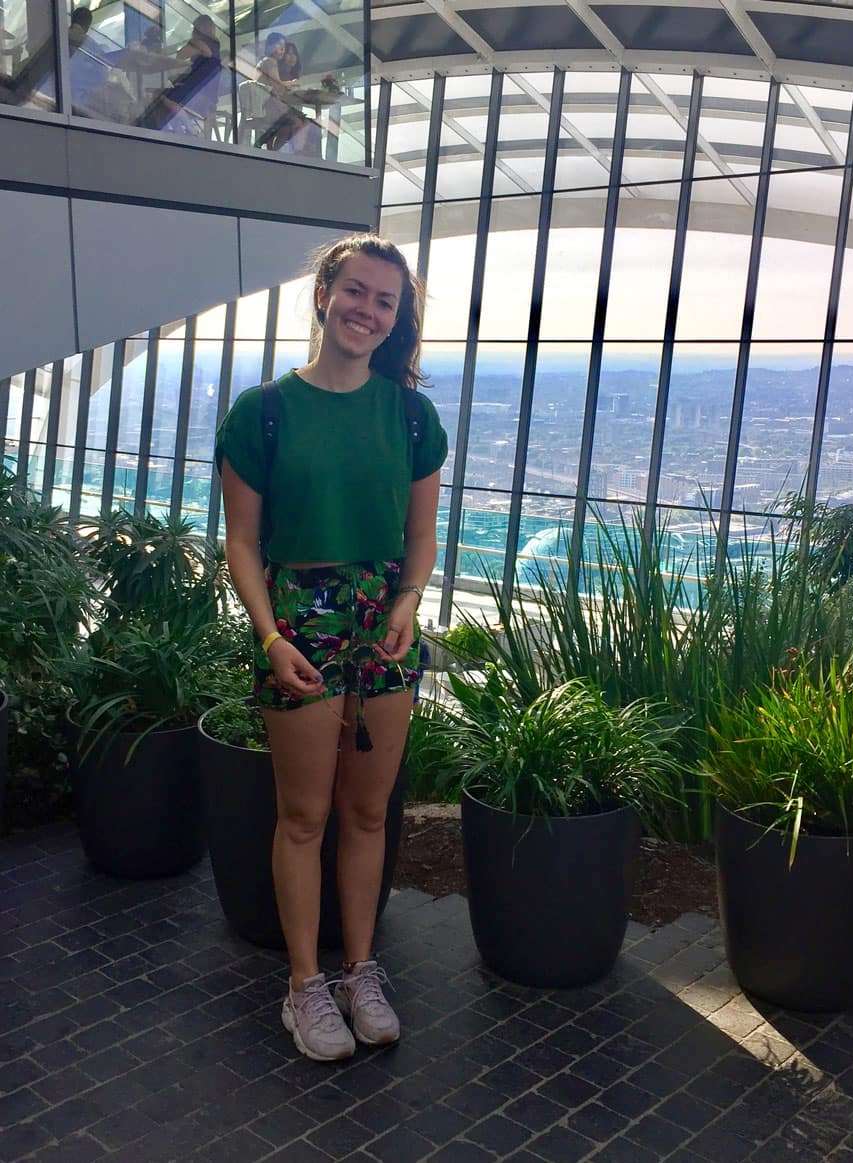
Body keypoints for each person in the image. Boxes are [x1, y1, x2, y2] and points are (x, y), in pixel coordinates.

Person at [214, 234, 447, 1062]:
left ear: (396, 317)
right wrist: (269, 633)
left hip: (383, 618)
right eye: (356, 291)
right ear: (324, 294)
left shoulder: (413, 417)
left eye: (386, 300)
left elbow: (421, 536)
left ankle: (360, 970)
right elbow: (242, 542)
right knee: (305, 815)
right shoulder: (264, 411)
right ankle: (305, 986)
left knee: (367, 810)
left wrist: (410, 602)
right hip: (300, 619)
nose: (368, 310)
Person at [139, 14, 220, 134]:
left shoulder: (197, 43)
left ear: (198, 28)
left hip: (195, 94)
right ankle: (178, 129)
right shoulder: (216, 47)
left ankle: (184, 128)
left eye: (194, 27)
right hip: (209, 96)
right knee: (165, 93)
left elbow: (180, 56)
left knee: (158, 94)